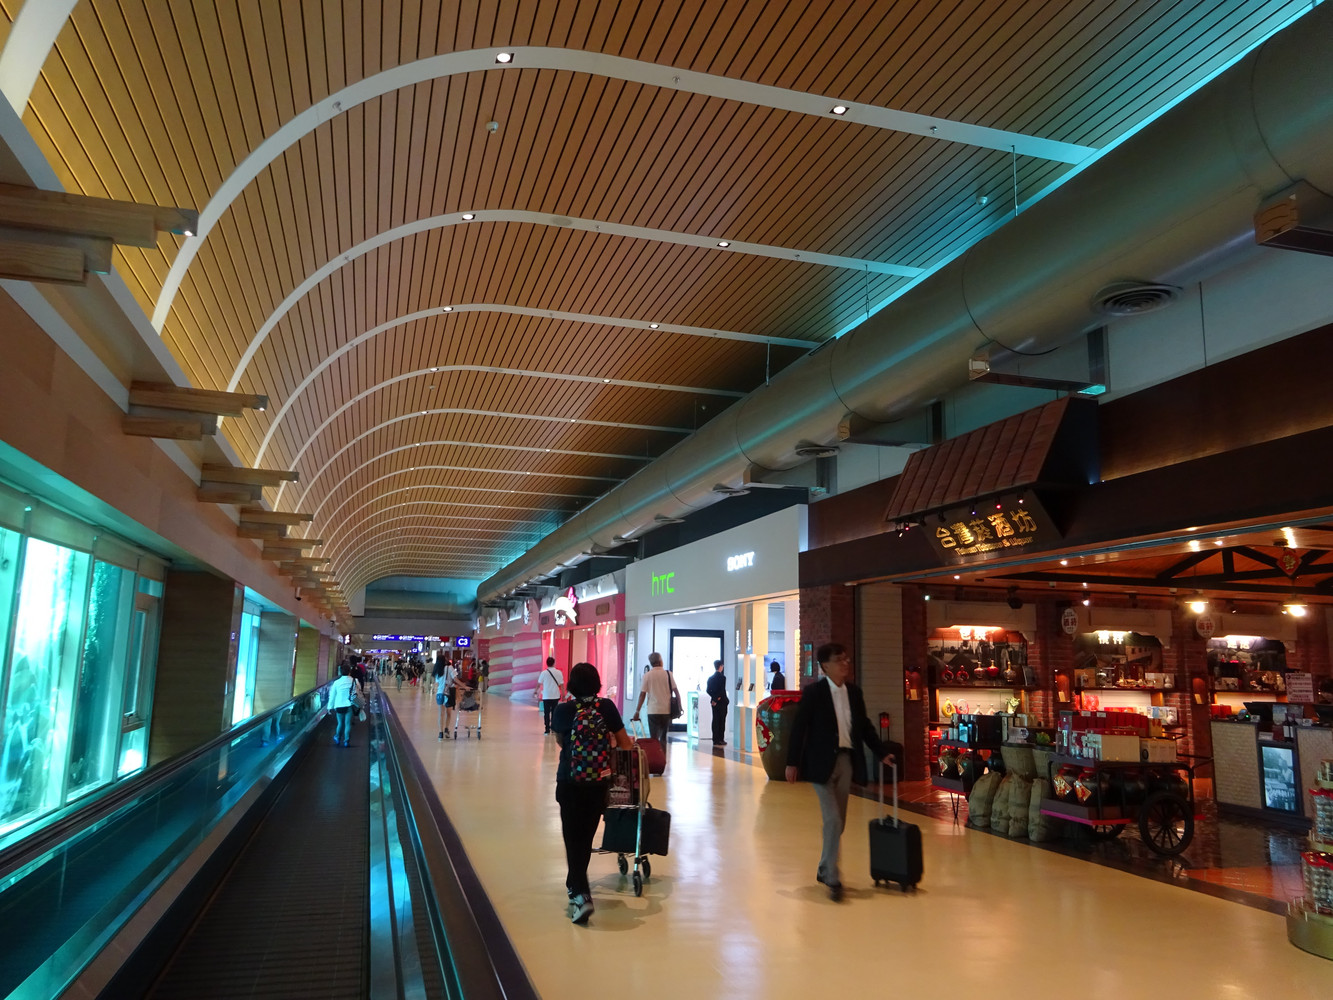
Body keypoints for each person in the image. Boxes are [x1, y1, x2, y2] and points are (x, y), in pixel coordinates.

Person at [785, 642, 895, 902]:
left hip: (846, 761)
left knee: (839, 822)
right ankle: (833, 877)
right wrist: (792, 762)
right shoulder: (814, 693)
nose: (845, 663)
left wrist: (881, 752)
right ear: (825, 666)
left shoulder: (854, 693)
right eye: (839, 660)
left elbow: (865, 726)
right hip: (821, 764)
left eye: (846, 659)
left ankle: (824, 866)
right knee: (833, 820)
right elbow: (799, 727)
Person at [550, 661, 633, 924]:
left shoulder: (563, 710)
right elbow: (625, 745)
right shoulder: (606, 707)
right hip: (598, 783)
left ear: (572, 685)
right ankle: (575, 886)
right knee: (585, 839)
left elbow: (561, 742)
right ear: (597, 683)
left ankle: (580, 893)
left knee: (572, 838)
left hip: (569, 782)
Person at [630, 652, 677, 755]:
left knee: (654, 738)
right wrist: (679, 706)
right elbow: (676, 691)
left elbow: (642, 694)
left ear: (651, 663)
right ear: (660, 661)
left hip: (653, 711)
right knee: (663, 737)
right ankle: (663, 758)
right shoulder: (668, 674)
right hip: (666, 710)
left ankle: (655, 757)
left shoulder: (647, 675)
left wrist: (637, 711)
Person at [328, 662, 359, 747]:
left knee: (340, 723)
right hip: (349, 705)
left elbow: (332, 695)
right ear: (349, 671)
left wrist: (330, 707)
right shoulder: (354, 681)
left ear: (341, 672)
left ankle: (337, 738)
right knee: (348, 723)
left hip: (339, 705)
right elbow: (358, 692)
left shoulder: (336, 682)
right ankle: (346, 741)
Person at [538, 657, 565, 734]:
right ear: (554, 663)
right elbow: (562, 685)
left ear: (547, 663)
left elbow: (539, 683)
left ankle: (547, 729)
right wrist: (563, 695)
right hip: (555, 695)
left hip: (546, 696)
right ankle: (553, 728)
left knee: (546, 713)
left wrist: (535, 691)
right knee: (554, 712)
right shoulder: (559, 672)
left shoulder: (543, 673)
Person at [706, 659, 729, 745]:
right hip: (722, 702)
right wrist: (717, 698)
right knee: (722, 721)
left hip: (714, 703)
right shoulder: (722, 678)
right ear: (720, 666)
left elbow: (708, 690)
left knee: (715, 720)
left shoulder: (711, 678)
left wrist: (714, 699)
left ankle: (715, 739)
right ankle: (720, 739)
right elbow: (721, 691)